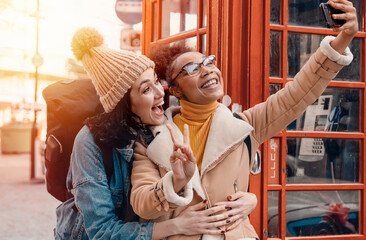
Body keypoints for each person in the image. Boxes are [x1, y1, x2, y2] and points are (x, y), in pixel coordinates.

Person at [130, 0, 358, 239]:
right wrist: (176, 180)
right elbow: (141, 204)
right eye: (192, 68)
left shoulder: (246, 126)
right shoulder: (150, 141)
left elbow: (298, 93)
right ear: (175, 90)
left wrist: (342, 39)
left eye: (209, 62)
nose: (207, 69)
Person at [54, 27, 239, 240]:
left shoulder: (159, 125)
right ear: (124, 104)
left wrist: (246, 200)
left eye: (156, 81)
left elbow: (204, 176)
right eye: (146, 89)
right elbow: (102, 232)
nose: (161, 92)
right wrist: (177, 226)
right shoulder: (90, 142)